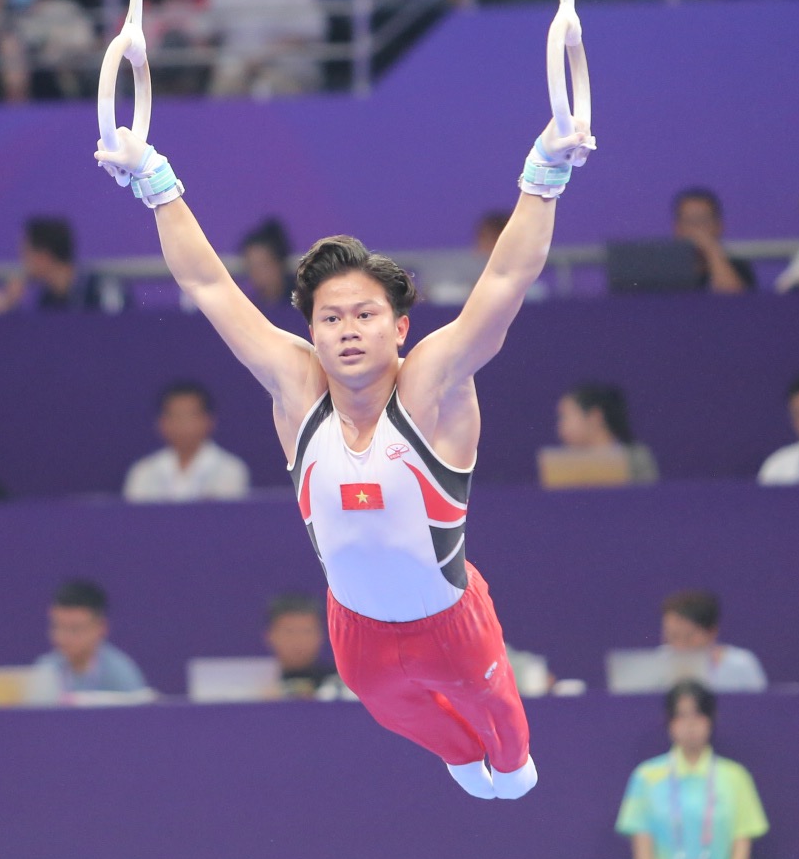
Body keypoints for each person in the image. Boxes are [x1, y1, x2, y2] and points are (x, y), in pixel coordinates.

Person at [95, 98, 598, 800]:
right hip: (354, 632)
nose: (347, 330)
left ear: (399, 328)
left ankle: (507, 762)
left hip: (450, 622)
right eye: (330, 317)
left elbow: (506, 283)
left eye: (365, 315)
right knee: (404, 717)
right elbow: (208, 284)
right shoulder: (295, 388)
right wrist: (154, 181)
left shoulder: (432, 384)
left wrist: (544, 174)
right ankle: (458, 757)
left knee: (510, 755)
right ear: (312, 330)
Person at [614, 681, 768, 859]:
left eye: (697, 715)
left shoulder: (735, 777)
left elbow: (741, 852)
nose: (690, 725)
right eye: (681, 716)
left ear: (711, 719)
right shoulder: (646, 777)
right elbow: (643, 853)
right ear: (670, 721)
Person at [122, 380, 252, 502]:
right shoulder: (144, 471)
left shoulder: (230, 469)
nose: (183, 425)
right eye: (176, 416)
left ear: (208, 420)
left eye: (190, 416)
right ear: (162, 423)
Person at [27, 579, 149, 702]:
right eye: (57, 626)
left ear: (101, 627)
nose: (62, 637)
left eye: (74, 629)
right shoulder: (45, 669)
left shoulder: (120, 674)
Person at [657, 591, 766, 693]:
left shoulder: (741, 664)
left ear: (712, 632)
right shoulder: (658, 663)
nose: (680, 645)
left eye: (689, 637)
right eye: (673, 636)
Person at [552, 380, 659, 484]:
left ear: (594, 417)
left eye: (565, 416)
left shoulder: (635, 458)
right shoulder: (561, 465)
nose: (560, 426)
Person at [20, 215, 122, 312]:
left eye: (25, 253)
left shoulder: (102, 288)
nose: (23, 262)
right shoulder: (46, 301)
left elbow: (118, 326)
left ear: (43, 256)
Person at [671, 188, 754, 293]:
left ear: (718, 226)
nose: (695, 228)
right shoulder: (667, 269)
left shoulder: (737, 267)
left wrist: (711, 249)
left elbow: (733, 302)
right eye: (689, 221)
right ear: (677, 228)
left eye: (702, 220)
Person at [266, 592, 339, 698]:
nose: (298, 640)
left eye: (306, 631)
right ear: (271, 635)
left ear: (321, 634)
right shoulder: (256, 690)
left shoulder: (343, 688)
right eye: (289, 631)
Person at [239, 217, 293, 309]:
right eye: (251, 266)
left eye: (263, 265)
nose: (256, 273)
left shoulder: (305, 307)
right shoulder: (249, 309)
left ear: (279, 263)